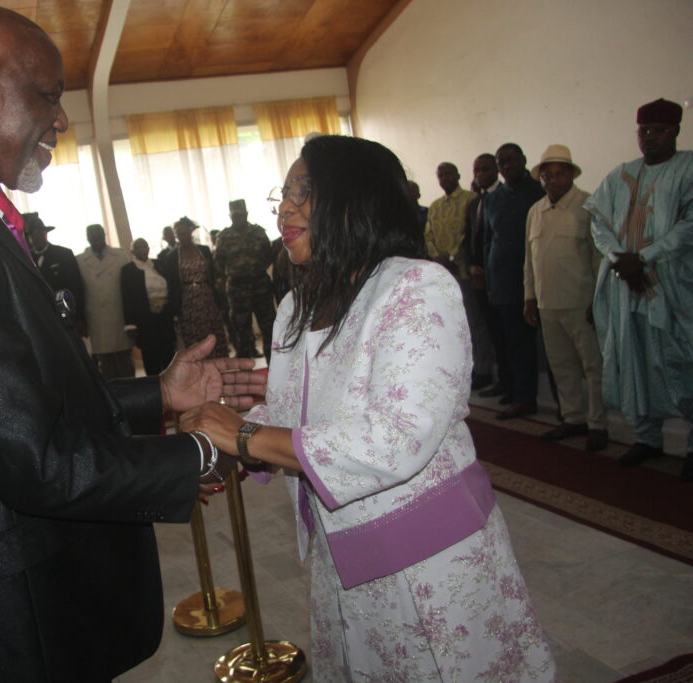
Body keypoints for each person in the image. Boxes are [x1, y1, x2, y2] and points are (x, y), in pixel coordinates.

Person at [0, 6, 263, 682]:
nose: (62, 119)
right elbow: (33, 457)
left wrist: (159, 393)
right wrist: (203, 452)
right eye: (48, 94)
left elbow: (25, 397)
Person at [180, 135, 555, 681]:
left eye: (304, 192)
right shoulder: (295, 307)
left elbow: (396, 438)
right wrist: (215, 436)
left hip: (428, 554)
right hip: (342, 553)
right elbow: (290, 426)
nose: (285, 209)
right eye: (283, 195)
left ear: (354, 199)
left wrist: (241, 436)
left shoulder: (416, 287)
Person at [585, 98, 693, 479]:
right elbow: (597, 221)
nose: (649, 138)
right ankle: (646, 438)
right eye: (644, 131)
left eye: (658, 131)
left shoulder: (688, 168)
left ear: (675, 131)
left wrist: (643, 258)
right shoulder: (622, 173)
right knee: (634, 360)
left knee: (680, 360)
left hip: (671, 286)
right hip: (625, 285)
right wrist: (620, 258)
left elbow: (688, 226)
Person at [523, 145, 607, 451]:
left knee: (593, 366)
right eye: (547, 175)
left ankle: (598, 424)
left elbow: (599, 258)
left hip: (580, 303)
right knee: (562, 366)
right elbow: (529, 260)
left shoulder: (588, 205)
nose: (553, 180)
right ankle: (573, 418)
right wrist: (529, 297)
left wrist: (598, 300)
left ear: (571, 174)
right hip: (547, 304)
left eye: (559, 174)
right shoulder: (535, 210)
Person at [484, 143, 546, 419]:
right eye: (502, 162)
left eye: (511, 160)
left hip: (535, 282)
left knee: (543, 347)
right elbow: (489, 241)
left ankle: (564, 409)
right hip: (503, 282)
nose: (507, 166)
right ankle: (519, 395)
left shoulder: (539, 193)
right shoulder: (493, 199)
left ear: (523, 159)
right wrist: (489, 279)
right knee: (513, 343)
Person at [214, 199, 276, 360]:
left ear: (246, 214)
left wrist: (256, 270)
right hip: (237, 289)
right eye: (234, 215)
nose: (238, 218)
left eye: (240, 215)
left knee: (269, 327)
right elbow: (218, 262)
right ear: (230, 216)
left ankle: (274, 365)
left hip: (260, 286)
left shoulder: (258, 232)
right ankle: (244, 367)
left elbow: (269, 255)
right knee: (241, 330)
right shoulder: (224, 237)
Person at [161, 216, 230, 359]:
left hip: (207, 298)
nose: (183, 236)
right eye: (179, 234)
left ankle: (220, 365)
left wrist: (220, 299)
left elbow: (214, 275)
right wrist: (175, 309)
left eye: (185, 233)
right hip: (187, 303)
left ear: (191, 232)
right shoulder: (171, 257)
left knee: (214, 334)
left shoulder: (204, 250)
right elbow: (172, 285)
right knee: (194, 338)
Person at [465, 153, 505, 393]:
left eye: (486, 169)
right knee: (489, 330)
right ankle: (498, 379)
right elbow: (469, 239)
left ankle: (511, 384)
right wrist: (471, 266)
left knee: (507, 335)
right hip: (478, 279)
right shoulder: (475, 203)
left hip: (501, 277)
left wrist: (488, 269)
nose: (480, 174)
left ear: (496, 170)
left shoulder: (504, 196)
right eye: (476, 170)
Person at [76, 224, 134, 380]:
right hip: (96, 318)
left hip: (120, 316)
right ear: (87, 238)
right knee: (105, 363)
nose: (95, 239)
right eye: (92, 236)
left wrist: (132, 320)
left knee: (125, 360)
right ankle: (112, 393)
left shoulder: (121, 255)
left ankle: (133, 392)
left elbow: (130, 288)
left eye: (98, 235)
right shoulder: (80, 260)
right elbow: (79, 291)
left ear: (104, 235)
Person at [120, 237, 175, 376]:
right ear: (132, 251)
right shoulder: (128, 270)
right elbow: (127, 298)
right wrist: (130, 324)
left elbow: (171, 288)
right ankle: (154, 385)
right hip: (144, 320)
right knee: (151, 356)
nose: (142, 249)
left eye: (144, 246)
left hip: (164, 317)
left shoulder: (159, 264)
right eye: (138, 247)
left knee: (169, 354)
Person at [23, 212, 86, 324]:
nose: (36, 237)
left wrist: (79, 317)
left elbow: (76, 286)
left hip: (64, 313)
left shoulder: (63, 254)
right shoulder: (26, 259)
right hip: (41, 317)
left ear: (45, 233)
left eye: (39, 232)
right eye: (33, 234)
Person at [425, 162, 476, 278]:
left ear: (458, 176)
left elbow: (469, 233)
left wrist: (451, 257)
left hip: (464, 268)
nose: (444, 178)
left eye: (448, 174)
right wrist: (437, 257)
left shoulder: (471, 198)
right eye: (440, 176)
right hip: (440, 268)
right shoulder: (435, 205)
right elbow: (428, 235)